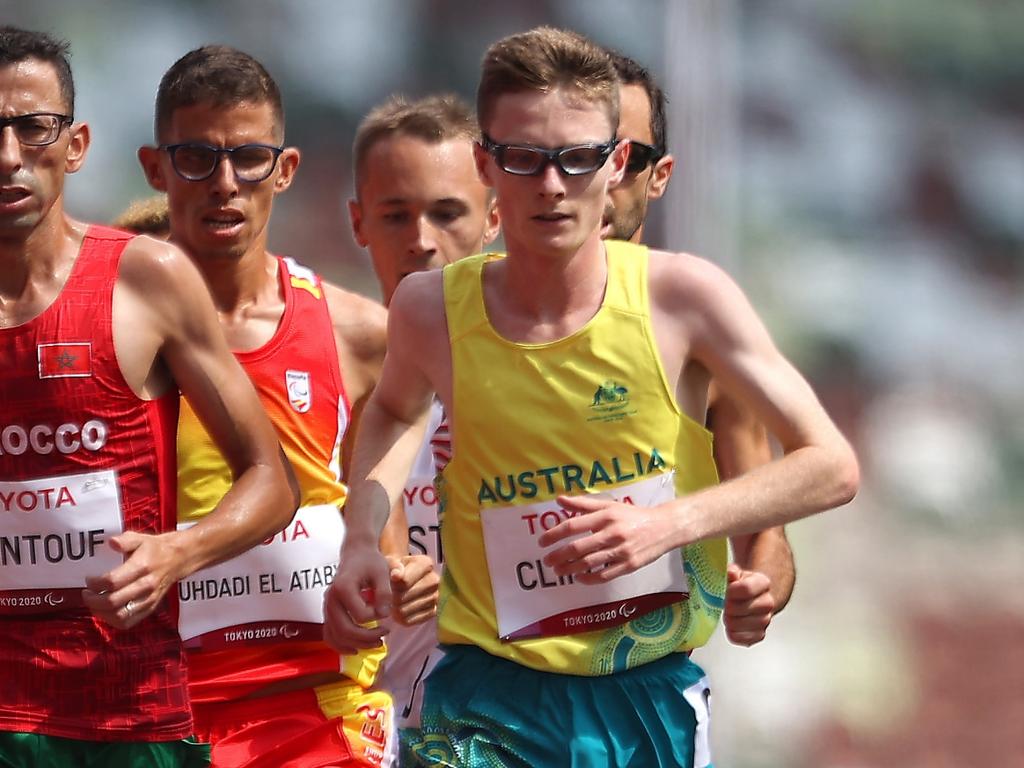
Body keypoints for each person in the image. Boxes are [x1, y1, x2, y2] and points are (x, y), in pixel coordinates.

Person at [325, 26, 859, 767]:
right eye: (524, 159)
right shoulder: (430, 309)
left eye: (577, 160)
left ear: (615, 164)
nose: (551, 186)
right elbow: (391, 411)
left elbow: (830, 465)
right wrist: (361, 536)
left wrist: (667, 525)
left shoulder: (684, 298)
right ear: (487, 164)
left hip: (646, 699)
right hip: (486, 699)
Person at [0, 26, 297, 767]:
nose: (9, 156)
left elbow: (273, 482)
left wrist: (174, 553)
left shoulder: (145, 277)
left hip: (125, 716)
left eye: (33, 128)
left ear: (75, 145)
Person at [137, 45, 434, 768]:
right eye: (197, 158)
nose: (226, 183)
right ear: (156, 168)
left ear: (286, 169)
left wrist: (398, 576)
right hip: (164, 713)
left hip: (322, 715)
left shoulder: (357, 332)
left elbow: (377, 525)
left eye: (249, 157)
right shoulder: (107, 332)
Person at [604, 49, 796, 647]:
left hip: (647, 697)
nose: (599, 177)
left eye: (624, 158)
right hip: (478, 694)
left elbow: (768, 534)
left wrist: (760, 588)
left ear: (659, 176)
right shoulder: (461, 320)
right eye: (576, 154)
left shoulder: (699, 331)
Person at [347, 93, 499, 732]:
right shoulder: (316, 372)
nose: (421, 240)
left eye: (447, 213)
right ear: (358, 223)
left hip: (526, 723)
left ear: (494, 214)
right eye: (395, 215)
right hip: (370, 732)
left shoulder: (544, 368)